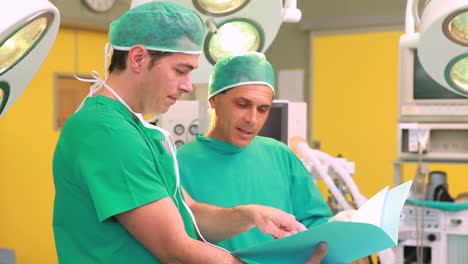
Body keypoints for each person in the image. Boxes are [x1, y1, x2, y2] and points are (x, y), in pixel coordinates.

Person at [52, 2, 327, 263]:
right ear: (138, 58)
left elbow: (189, 213)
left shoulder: (138, 132)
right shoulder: (108, 132)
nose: (187, 86)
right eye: (180, 71)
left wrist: (250, 215)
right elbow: (176, 251)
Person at [177, 52, 333, 251]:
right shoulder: (177, 163)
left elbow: (315, 223)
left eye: (263, 109)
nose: (252, 119)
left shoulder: (279, 155)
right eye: (242, 105)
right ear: (214, 99)